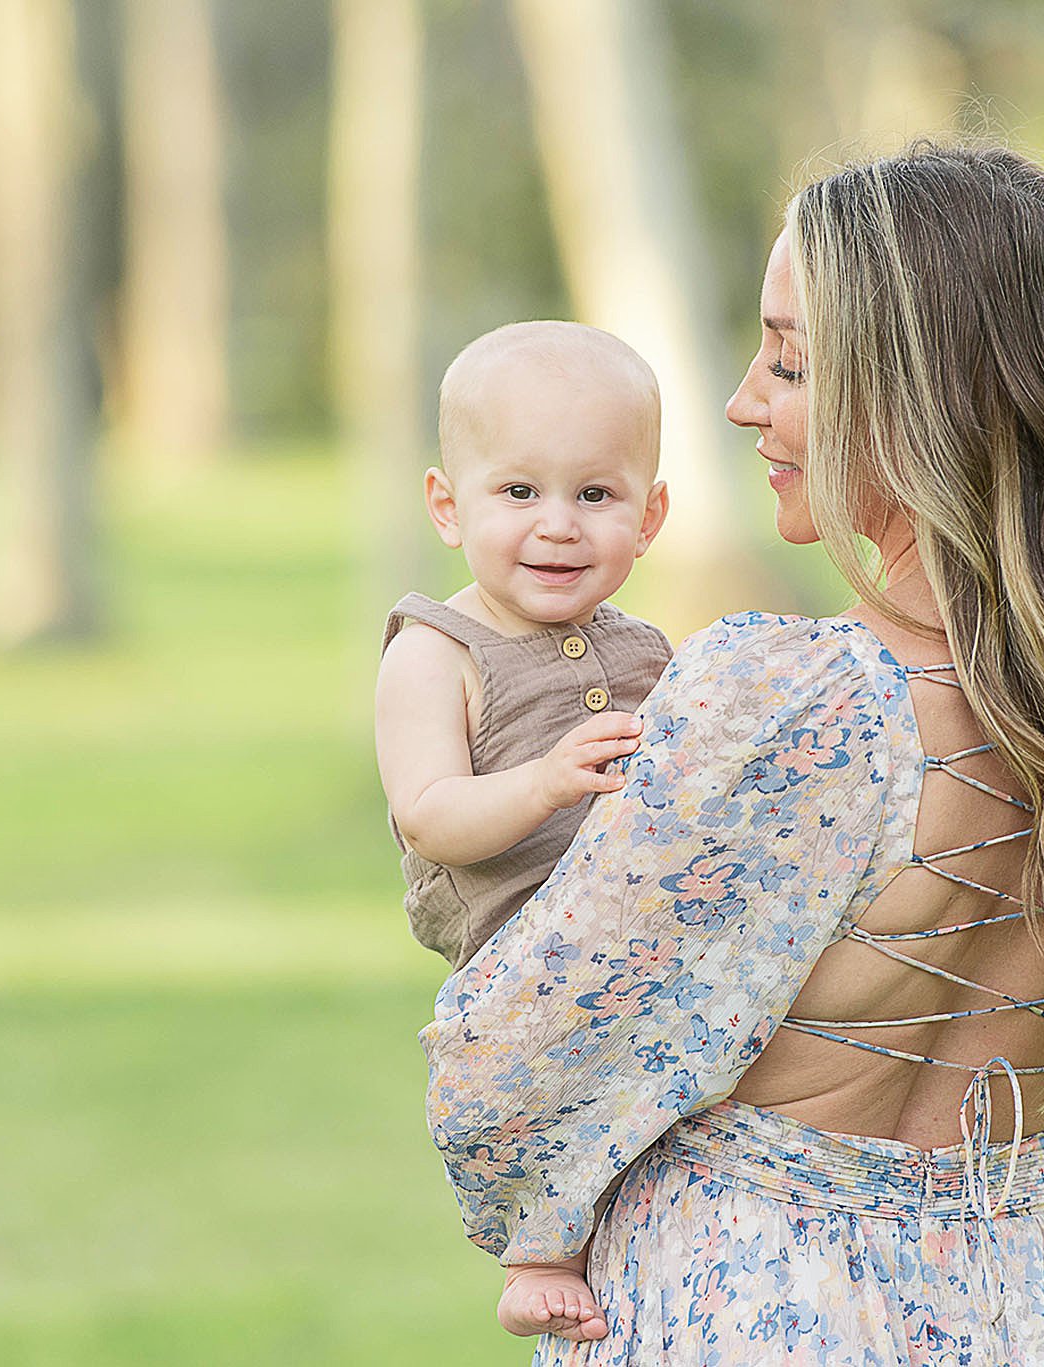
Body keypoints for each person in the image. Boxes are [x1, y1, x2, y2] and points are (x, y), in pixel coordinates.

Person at [421, 144, 1044, 1365]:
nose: (739, 400)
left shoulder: (792, 697)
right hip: (1004, 1302)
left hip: (737, 1295)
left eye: (788, 360)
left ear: (923, 394)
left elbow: (512, 1067)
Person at [375, 320, 676, 1340]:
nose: (557, 525)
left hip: (639, 925)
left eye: (595, 495)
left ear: (651, 516)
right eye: (519, 492)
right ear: (447, 507)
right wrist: (544, 782)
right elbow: (430, 812)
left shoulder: (648, 648)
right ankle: (536, 1249)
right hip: (517, 940)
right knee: (539, 1069)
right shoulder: (435, 651)